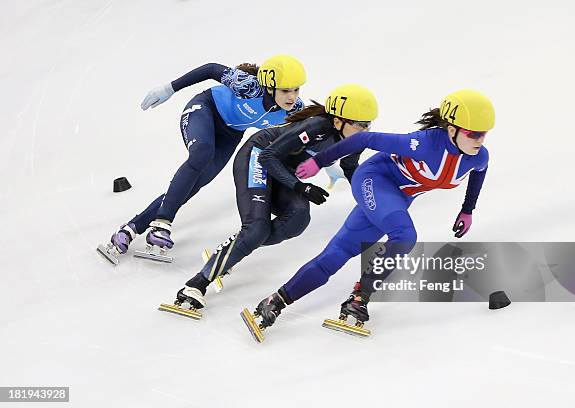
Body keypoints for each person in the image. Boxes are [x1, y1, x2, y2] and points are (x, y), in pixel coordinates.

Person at [240, 89, 495, 341]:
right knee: (405, 235)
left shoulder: (478, 157)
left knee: (338, 253)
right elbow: (364, 140)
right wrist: (319, 162)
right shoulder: (424, 143)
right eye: (473, 133)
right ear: (452, 130)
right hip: (374, 180)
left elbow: (480, 172)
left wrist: (467, 210)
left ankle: (275, 301)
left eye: (484, 134)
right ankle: (360, 297)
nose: (480, 139)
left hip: (397, 199)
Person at [159, 84, 379, 318]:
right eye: (361, 124)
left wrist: (369, 201)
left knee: (298, 220)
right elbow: (268, 156)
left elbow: (350, 167)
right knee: (256, 228)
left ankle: (233, 250)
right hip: (259, 155)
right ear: (338, 121)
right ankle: (195, 284)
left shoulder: (356, 140)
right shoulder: (316, 127)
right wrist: (300, 186)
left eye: (369, 124)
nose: (366, 130)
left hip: (283, 169)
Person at [97, 55, 307, 265]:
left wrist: (322, 161)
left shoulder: (295, 111)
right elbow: (210, 68)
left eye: (296, 89)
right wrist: (170, 88)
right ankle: (162, 223)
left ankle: (131, 228)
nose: (292, 97)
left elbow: (312, 135)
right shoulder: (249, 86)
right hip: (205, 109)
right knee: (202, 153)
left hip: (230, 134)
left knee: (195, 183)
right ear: (270, 87)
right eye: (286, 90)